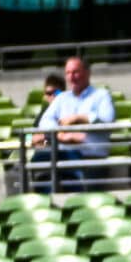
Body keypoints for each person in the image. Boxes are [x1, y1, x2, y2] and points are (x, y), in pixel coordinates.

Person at [32, 55, 117, 188]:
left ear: (87, 73)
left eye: (75, 72)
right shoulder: (62, 98)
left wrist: (79, 118)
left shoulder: (101, 95)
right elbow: (45, 121)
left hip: (89, 156)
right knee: (38, 160)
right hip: (62, 153)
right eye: (68, 73)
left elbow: (108, 120)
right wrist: (60, 135)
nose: (71, 77)